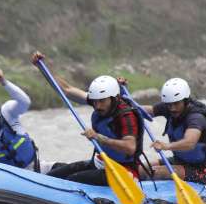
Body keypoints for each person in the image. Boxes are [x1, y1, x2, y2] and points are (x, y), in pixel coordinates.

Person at [31, 52, 144, 186]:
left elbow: (130, 147)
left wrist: (98, 137)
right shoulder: (100, 102)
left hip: (124, 171)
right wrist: (43, 67)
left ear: (114, 98)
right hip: (102, 163)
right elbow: (66, 89)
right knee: (53, 177)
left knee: (71, 181)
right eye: (95, 102)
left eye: (101, 101)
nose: (97, 106)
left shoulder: (126, 116)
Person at [133, 77, 206, 185]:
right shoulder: (170, 106)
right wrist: (128, 104)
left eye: (176, 104)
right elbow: (148, 111)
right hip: (178, 160)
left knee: (154, 172)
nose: (172, 108)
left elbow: (189, 143)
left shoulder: (196, 117)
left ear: (185, 100)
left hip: (200, 170)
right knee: (140, 169)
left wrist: (166, 146)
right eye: (169, 104)